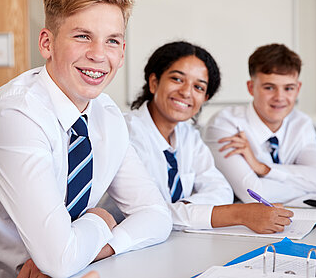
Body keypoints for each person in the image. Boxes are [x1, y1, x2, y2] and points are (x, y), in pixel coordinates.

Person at [0, 0, 172, 277]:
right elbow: (59, 259)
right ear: (47, 43)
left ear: (122, 52)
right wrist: (101, 218)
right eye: (83, 36)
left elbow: (158, 215)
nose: (98, 55)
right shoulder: (16, 113)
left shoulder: (108, 116)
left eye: (111, 41)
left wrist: (101, 248)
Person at [125, 41, 293, 234]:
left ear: (205, 98)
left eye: (198, 87)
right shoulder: (127, 133)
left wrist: (184, 209)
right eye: (177, 79)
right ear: (154, 82)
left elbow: (221, 191)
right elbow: (147, 213)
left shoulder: (189, 136)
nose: (186, 92)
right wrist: (238, 214)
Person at [203, 43, 316, 203]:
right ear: (251, 87)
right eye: (269, 87)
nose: (280, 97)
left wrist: (263, 168)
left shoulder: (300, 123)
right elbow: (255, 195)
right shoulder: (225, 124)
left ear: (298, 88)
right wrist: (309, 188)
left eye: (288, 88)